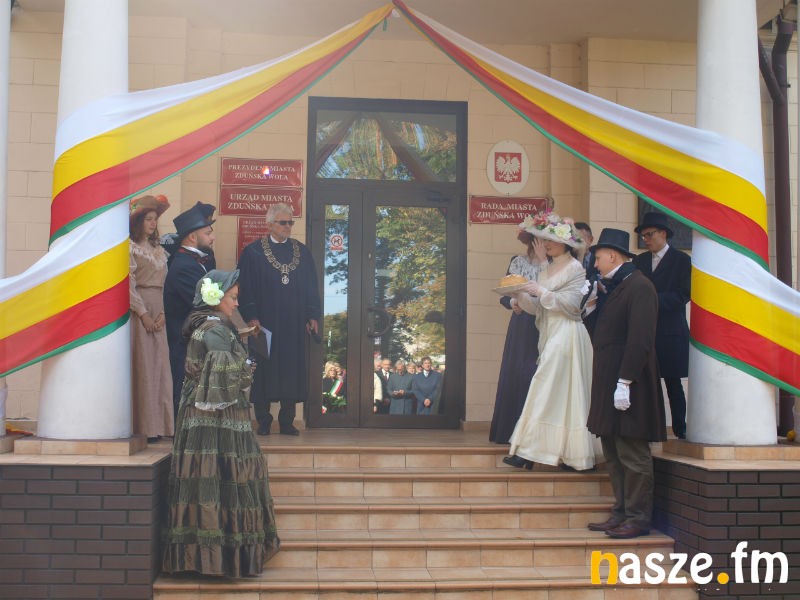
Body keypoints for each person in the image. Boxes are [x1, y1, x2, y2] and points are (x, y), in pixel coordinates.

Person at [162, 269, 280, 576]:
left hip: (205, 416)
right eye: (233, 298)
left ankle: (202, 558)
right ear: (215, 298)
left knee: (209, 476)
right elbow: (225, 374)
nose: (236, 304)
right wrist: (248, 364)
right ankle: (224, 559)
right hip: (215, 419)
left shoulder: (207, 325)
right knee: (223, 475)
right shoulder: (214, 329)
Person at [584, 228, 666, 539]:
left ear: (613, 256)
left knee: (632, 452)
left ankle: (637, 517)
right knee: (613, 451)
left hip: (630, 380)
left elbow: (640, 339)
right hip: (609, 377)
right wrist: (591, 306)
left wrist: (625, 380)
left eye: (598, 258)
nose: (595, 264)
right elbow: (601, 334)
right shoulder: (614, 287)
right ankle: (620, 512)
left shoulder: (639, 286)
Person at [504, 211, 597, 471]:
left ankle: (527, 452)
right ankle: (567, 455)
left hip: (568, 334)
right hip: (550, 333)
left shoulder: (575, 268)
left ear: (566, 243)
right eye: (544, 239)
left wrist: (540, 290)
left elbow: (571, 306)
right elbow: (539, 308)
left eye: (551, 240)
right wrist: (519, 295)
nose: (546, 244)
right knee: (560, 395)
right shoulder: (546, 269)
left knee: (544, 386)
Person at [238, 203, 321, 436]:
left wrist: (312, 314)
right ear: (270, 224)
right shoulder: (253, 253)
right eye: (283, 222)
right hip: (262, 323)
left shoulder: (302, 252)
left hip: (294, 322)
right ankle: (263, 421)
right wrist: (251, 316)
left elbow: (311, 286)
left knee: (291, 368)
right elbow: (245, 287)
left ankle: (287, 421)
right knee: (263, 367)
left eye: (290, 222)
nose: (288, 226)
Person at [633, 212, 690, 439]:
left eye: (650, 235)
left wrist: (653, 300)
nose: (646, 240)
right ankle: (650, 429)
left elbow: (683, 294)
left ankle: (680, 429)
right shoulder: (640, 261)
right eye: (643, 236)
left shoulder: (681, 260)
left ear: (663, 233)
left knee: (673, 383)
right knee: (647, 382)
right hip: (646, 330)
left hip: (670, 330)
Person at [163, 201, 217, 417]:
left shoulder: (196, 262)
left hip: (195, 343)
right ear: (193, 237)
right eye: (208, 233)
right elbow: (205, 303)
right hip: (184, 345)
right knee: (186, 398)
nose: (212, 238)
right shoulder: (184, 266)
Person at [489, 230, 543, 444]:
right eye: (536, 240)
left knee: (537, 372)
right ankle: (509, 430)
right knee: (517, 372)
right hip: (522, 324)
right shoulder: (518, 262)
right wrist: (513, 303)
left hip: (544, 322)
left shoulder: (553, 264)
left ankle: (534, 434)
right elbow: (504, 295)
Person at [128, 194, 174, 441]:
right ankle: (145, 426)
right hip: (141, 309)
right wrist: (143, 313)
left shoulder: (159, 251)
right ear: (138, 222)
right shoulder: (131, 248)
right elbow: (129, 284)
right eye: (148, 219)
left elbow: (165, 284)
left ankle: (161, 425)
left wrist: (163, 313)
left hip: (159, 307)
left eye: (155, 219)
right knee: (144, 366)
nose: (153, 223)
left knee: (160, 366)